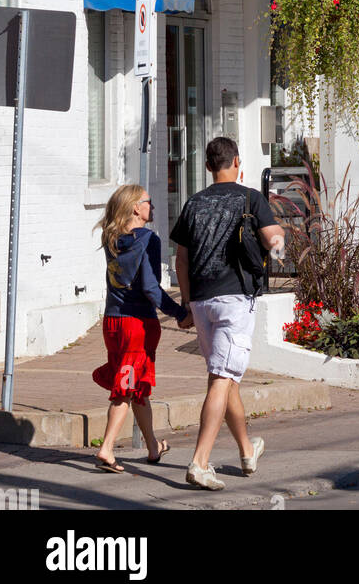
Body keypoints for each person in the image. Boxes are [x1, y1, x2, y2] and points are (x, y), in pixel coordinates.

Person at [171, 136, 283, 491]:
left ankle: (247, 451)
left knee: (224, 375)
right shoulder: (251, 198)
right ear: (237, 161)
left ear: (208, 166)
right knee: (222, 377)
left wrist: (187, 304)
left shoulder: (193, 203)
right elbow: (271, 239)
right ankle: (199, 462)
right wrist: (278, 238)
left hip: (202, 302)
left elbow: (182, 259)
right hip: (234, 300)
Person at [92, 184, 193, 473]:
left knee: (138, 388)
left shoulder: (111, 237)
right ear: (136, 207)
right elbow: (151, 287)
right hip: (138, 324)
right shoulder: (148, 239)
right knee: (125, 388)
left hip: (113, 321)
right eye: (149, 202)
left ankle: (152, 447)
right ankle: (107, 447)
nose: (153, 207)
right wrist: (178, 312)